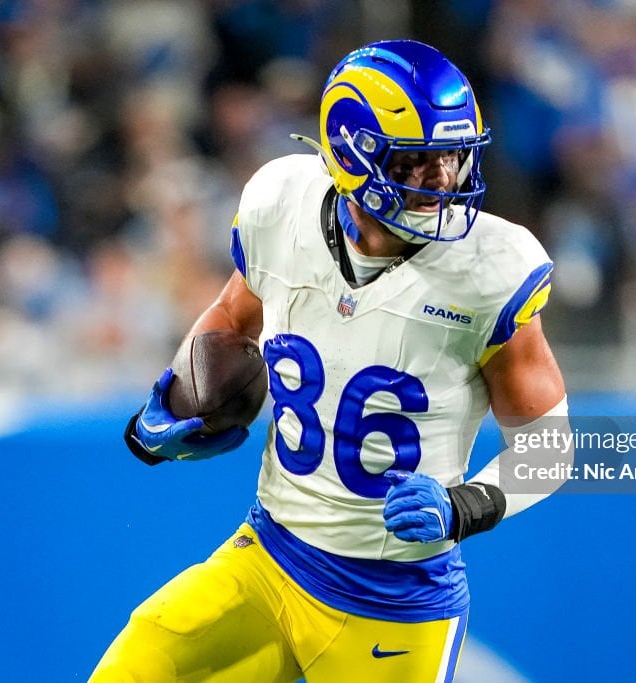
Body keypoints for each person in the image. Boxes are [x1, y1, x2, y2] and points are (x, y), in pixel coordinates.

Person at [90, 39, 569, 683]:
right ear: (352, 155)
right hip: (271, 556)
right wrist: (173, 399)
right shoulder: (281, 204)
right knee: (140, 662)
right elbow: (234, 317)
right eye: (417, 162)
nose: (443, 182)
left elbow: (550, 445)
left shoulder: (491, 270)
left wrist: (466, 505)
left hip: (395, 603)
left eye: (454, 158)